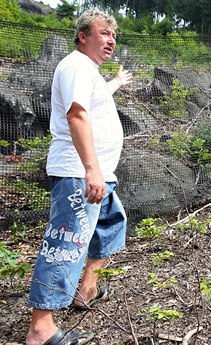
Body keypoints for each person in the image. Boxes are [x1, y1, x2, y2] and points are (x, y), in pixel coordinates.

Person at [26, 9, 133, 345]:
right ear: (83, 36)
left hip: (100, 175)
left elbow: (96, 100)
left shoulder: (88, 72)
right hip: (79, 173)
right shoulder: (74, 65)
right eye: (104, 33)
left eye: (114, 35)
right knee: (65, 244)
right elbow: (76, 114)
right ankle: (41, 329)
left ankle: (85, 290)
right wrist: (91, 169)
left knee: (111, 226)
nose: (111, 40)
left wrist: (116, 82)